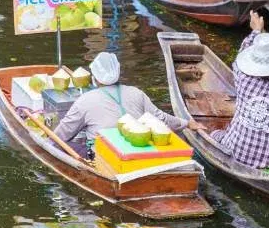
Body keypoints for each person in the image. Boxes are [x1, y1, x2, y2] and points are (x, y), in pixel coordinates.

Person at [54, 51, 203, 157]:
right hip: (139, 150)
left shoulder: (85, 100)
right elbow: (161, 118)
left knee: (61, 145)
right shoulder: (136, 92)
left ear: (95, 78)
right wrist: (187, 123)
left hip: (105, 155)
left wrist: (48, 141)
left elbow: (63, 133)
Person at [211, 11, 269, 169]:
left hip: (238, 153)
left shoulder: (243, 79)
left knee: (215, 135)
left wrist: (256, 30)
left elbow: (239, 56)